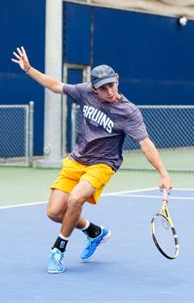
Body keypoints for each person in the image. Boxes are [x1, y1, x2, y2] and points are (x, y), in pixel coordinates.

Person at [11, 46, 173, 274]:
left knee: (75, 199)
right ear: (94, 89)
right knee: (55, 213)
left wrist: (163, 173)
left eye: (112, 84)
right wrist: (29, 69)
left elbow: (146, 144)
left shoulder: (129, 112)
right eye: (103, 87)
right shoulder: (84, 92)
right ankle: (95, 232)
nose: (109, 91)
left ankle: (58, 250)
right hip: (77, 160)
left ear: (117, 80)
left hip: (103, 164)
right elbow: (56, 86)